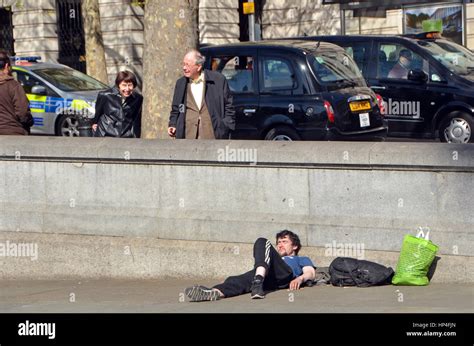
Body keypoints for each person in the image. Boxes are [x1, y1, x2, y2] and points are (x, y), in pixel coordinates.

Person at [185, 230, 316, 302]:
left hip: (284, 275)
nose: (280, 244)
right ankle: (213, 293)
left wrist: (300, 279)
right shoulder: (270, 257)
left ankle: (257, 281)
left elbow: (310, 272)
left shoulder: (299, 258)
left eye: (284, 242)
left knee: (262, 241)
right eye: (279, 242)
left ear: (295, 246)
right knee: (236, 280)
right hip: (267, 278)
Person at [168, 50, 235, 139]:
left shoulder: (218, 80)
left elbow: (229, 105)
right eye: (183, 64)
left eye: (187, 65)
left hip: (212, 134)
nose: (184, 68)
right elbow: (176, 107)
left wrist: (225, 126)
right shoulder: (181, 83)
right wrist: (173, 124)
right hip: (188, 135)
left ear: (198, 67)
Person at [92, 70, 142, 138]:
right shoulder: (105, 95)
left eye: (130, 85)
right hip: (105, 134)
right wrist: (94, 124)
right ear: (118, 85)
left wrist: (135, 136)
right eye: (124, 85)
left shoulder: (137, 98)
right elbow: (98, 113)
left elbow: (135, 120)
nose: (127, 89)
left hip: (125, 136)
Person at [0, 51, 34, 135]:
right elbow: (23, 113)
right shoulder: (13, 86)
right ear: (7, 66)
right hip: (13, 133)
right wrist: (29, 121)